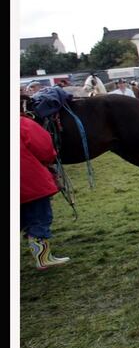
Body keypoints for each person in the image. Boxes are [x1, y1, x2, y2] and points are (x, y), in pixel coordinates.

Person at [21, 114, 71, 269]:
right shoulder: (22, 124)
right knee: (39, 219)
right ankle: (43, 259)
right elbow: (45, 150)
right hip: (29, 181)